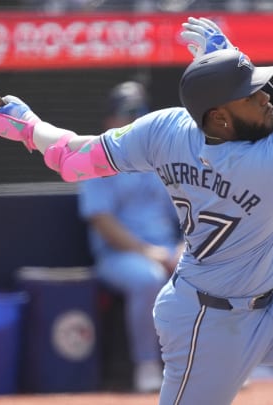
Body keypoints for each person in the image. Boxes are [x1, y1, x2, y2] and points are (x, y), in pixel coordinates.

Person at [0, 16, 273, 405]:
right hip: (209, 321)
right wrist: (231, 53)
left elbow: (74, 159)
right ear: (219, 118)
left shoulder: (165, 128)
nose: (266, 98)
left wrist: (29, 128)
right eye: (252, 95)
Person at [77, 81, 183, 393]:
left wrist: (182, 247)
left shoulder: (158, 157)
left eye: (141, 112)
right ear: (110, 120)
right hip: (119, 257)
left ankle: (218, 363)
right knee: (148, 278)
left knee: (209, 271)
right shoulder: (94, 158)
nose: (137, 118)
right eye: (129, 113)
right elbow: (102, 222)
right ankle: (147, 365)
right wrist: (149, 252)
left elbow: (188, 210)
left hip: (166, 249)